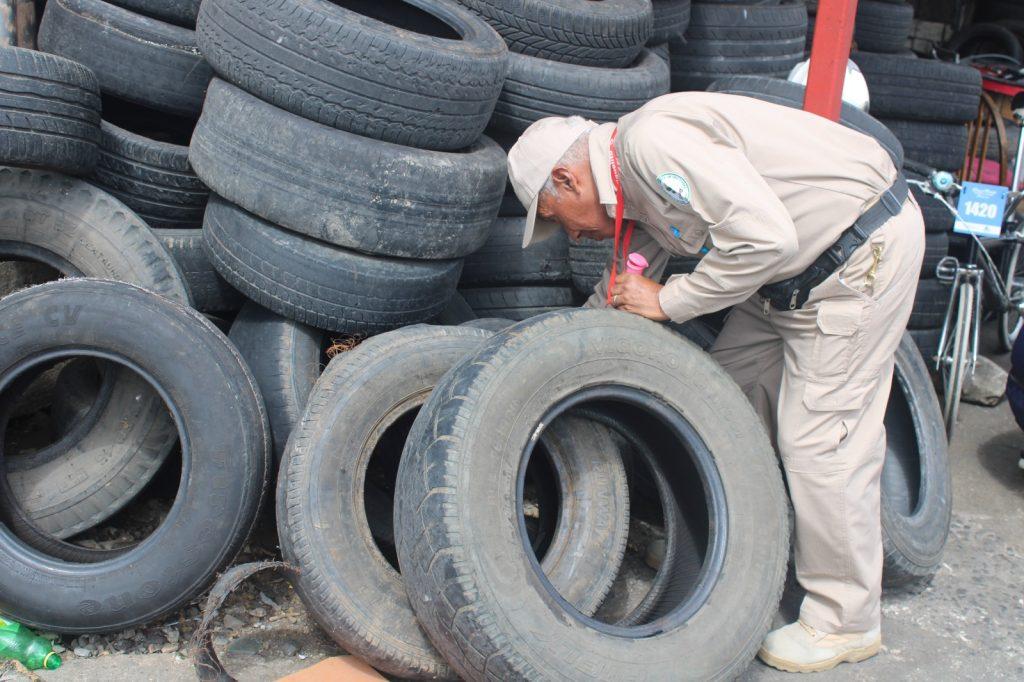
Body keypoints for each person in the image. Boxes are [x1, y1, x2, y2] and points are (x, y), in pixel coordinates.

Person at [506, 92, 925, 673]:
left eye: (557, 219)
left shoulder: (653, 148)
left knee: (820, 442)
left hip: (856, 258)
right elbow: (627, 285)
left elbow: (765, 238)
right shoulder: (632, 188)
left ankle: (845, 620)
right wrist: (564, 358)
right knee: (721, 405)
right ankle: (728, 556)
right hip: (783, 281)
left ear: (567, 179)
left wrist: (672, 301)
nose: (572, 238)